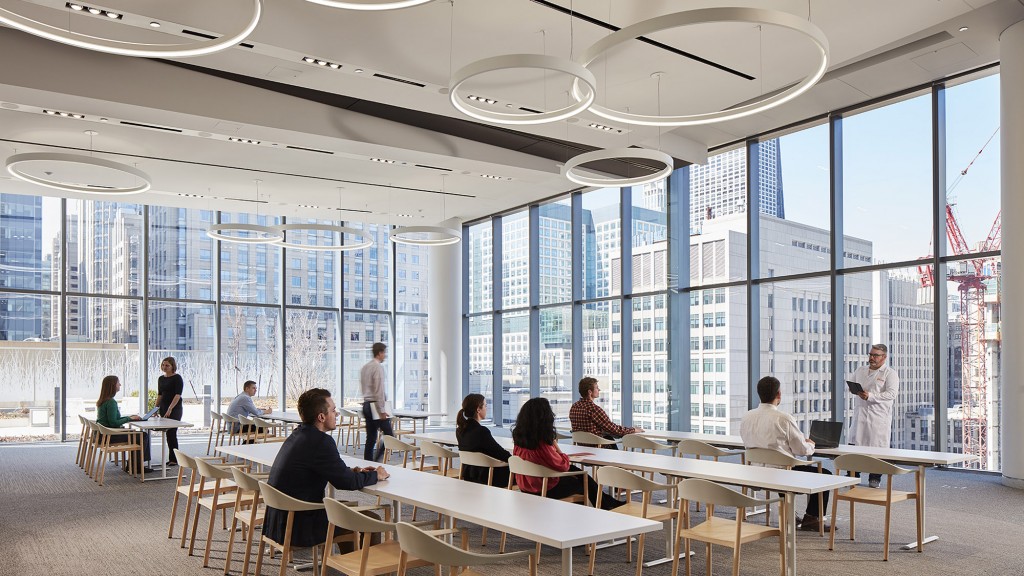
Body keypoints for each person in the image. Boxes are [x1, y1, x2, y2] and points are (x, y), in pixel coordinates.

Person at [263, 387, 389, 550]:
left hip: (279, 521)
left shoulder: (298, 435)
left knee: (346, 510)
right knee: (371, 521)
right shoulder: (321, 442)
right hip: (299, 526)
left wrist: (352, 471)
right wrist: (375, 475)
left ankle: (352, 567)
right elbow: (347, 483)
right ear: (321, 417)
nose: (337, 414)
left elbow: (324, 469)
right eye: (334, 410)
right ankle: (364, 570)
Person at [740, 375, 833, 532]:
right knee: (825, 474)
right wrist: (811, 445)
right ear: (779, 394)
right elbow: (801, 450)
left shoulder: (747, 416)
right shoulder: (783, 418)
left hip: (755, 472)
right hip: (782, 475)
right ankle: (811, 518)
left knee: (783, 464)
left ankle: (789, 514)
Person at [512, 397, 623, 510]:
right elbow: (563, 465)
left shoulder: (519, 442)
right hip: (546, 487)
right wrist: (557, 448)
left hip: (526, 485)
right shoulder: (542, 445)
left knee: (576, 471)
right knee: (583, 480)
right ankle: (604, 505)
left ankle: (607, 502)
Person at [849, 343, 899, 488]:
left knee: (877, 449)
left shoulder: (890, 374)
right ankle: (852, 475)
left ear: (884, 357)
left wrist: (870, 396)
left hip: (878, 417)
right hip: (861, 414)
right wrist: (855, 390)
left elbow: (891, 394)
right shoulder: (861, 370)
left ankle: (875, 478)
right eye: (871, 355)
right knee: (855, 447)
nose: (872, 358)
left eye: (875, 355)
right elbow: (852, 384)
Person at [95, 375, 152, 473]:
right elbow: (113, 423)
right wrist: (129, 418)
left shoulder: (104, 400)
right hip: (109, 436)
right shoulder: (111, 402)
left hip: (102, 434)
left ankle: (133, 465)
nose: (120, 385)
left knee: (137, 434)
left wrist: (129, 418)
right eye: (118, 383)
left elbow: (112, 419)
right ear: (113, 385)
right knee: (143, 436)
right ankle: (136, 466)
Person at [569, 376, 643, 448]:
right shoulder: (593, 409)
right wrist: (633, 430)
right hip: (599, 448)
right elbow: (613, 428)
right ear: (590, 392)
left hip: (581, 448)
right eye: (597, 388)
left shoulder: (574, 407)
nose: (599, 390)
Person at [456, 393, 511, 487]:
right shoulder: (481, 431)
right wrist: (513, 460)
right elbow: (500, 453)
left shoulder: (460, 430)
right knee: (521, 472)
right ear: (478, 409)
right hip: (487, 476)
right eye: (485, 405)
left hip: (469, 475)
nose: (487, 408)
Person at [360, 342, 393, 462]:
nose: (385, 355)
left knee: (371, 437)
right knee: (390, 435)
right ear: (379, 353)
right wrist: (382, 411)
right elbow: (379, 390)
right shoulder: (377, 367)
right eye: (384, 353)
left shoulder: (365, 367)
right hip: (375, 405)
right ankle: (375, 460)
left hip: (366, 404)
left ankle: (368, 462)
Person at [155, 356, 184, 467]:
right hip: (163, 407)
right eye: (163, 365)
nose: (164, 367)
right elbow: (160, 395)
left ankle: (174, 459)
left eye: (167, 365)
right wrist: (155, 408)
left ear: (173, 366)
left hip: (175, 408)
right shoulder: (161, 379)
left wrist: (170, 408)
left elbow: (177, 395)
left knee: (172, 433)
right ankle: (172, 458)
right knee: (168, 434)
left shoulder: (177, 378)